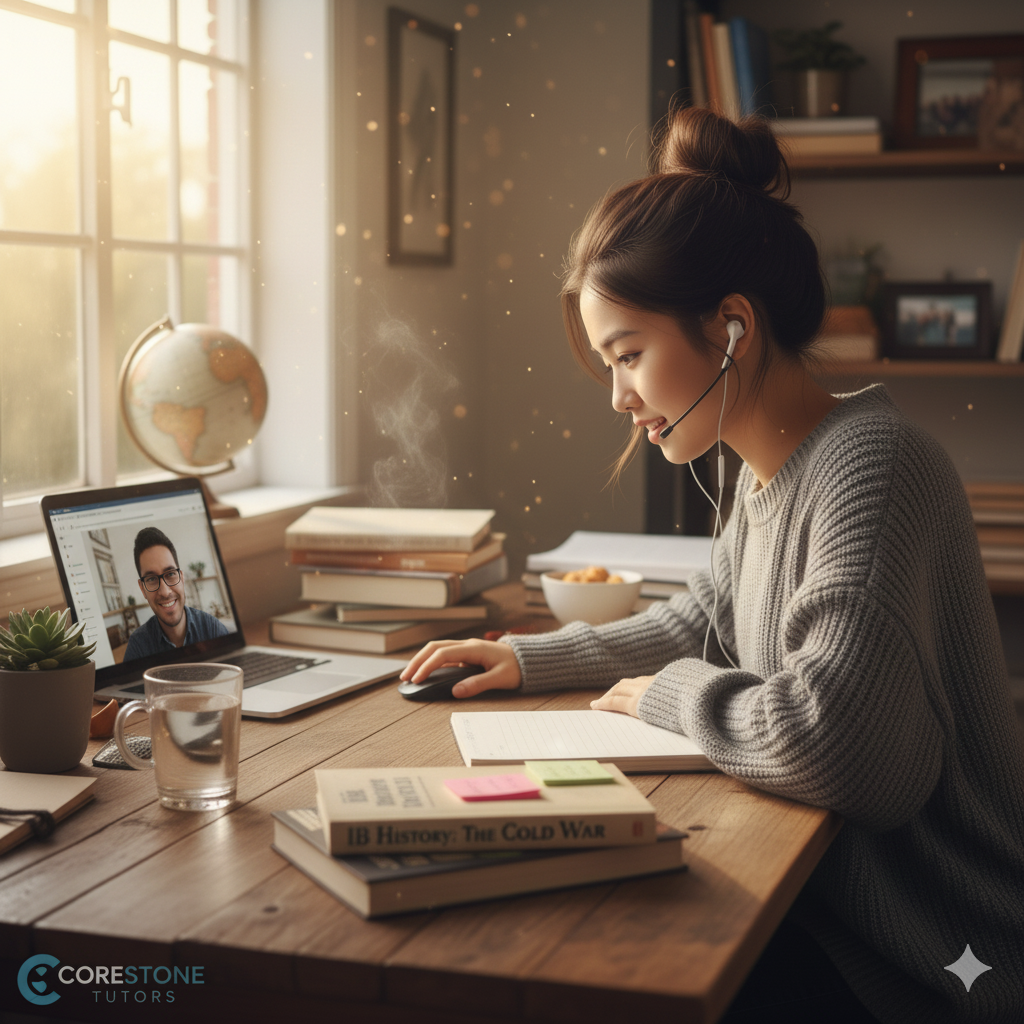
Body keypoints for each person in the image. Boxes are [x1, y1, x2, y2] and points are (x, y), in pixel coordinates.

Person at [402, 108, 1024, 1023]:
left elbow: (848, 752)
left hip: (934, 963)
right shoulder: (770, 472)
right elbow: (698, 619)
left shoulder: (873, 466)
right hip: (840, 925)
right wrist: (532, 659)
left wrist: (667, 695)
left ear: (731, 326)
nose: (619, 397)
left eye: (629, 356)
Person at [123, 526, 228, 661]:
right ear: (142, 588)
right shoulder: (138, 647)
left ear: (181, 578)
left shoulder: (213, 629)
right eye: (151, 579)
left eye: (171, 574)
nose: (165, 592)